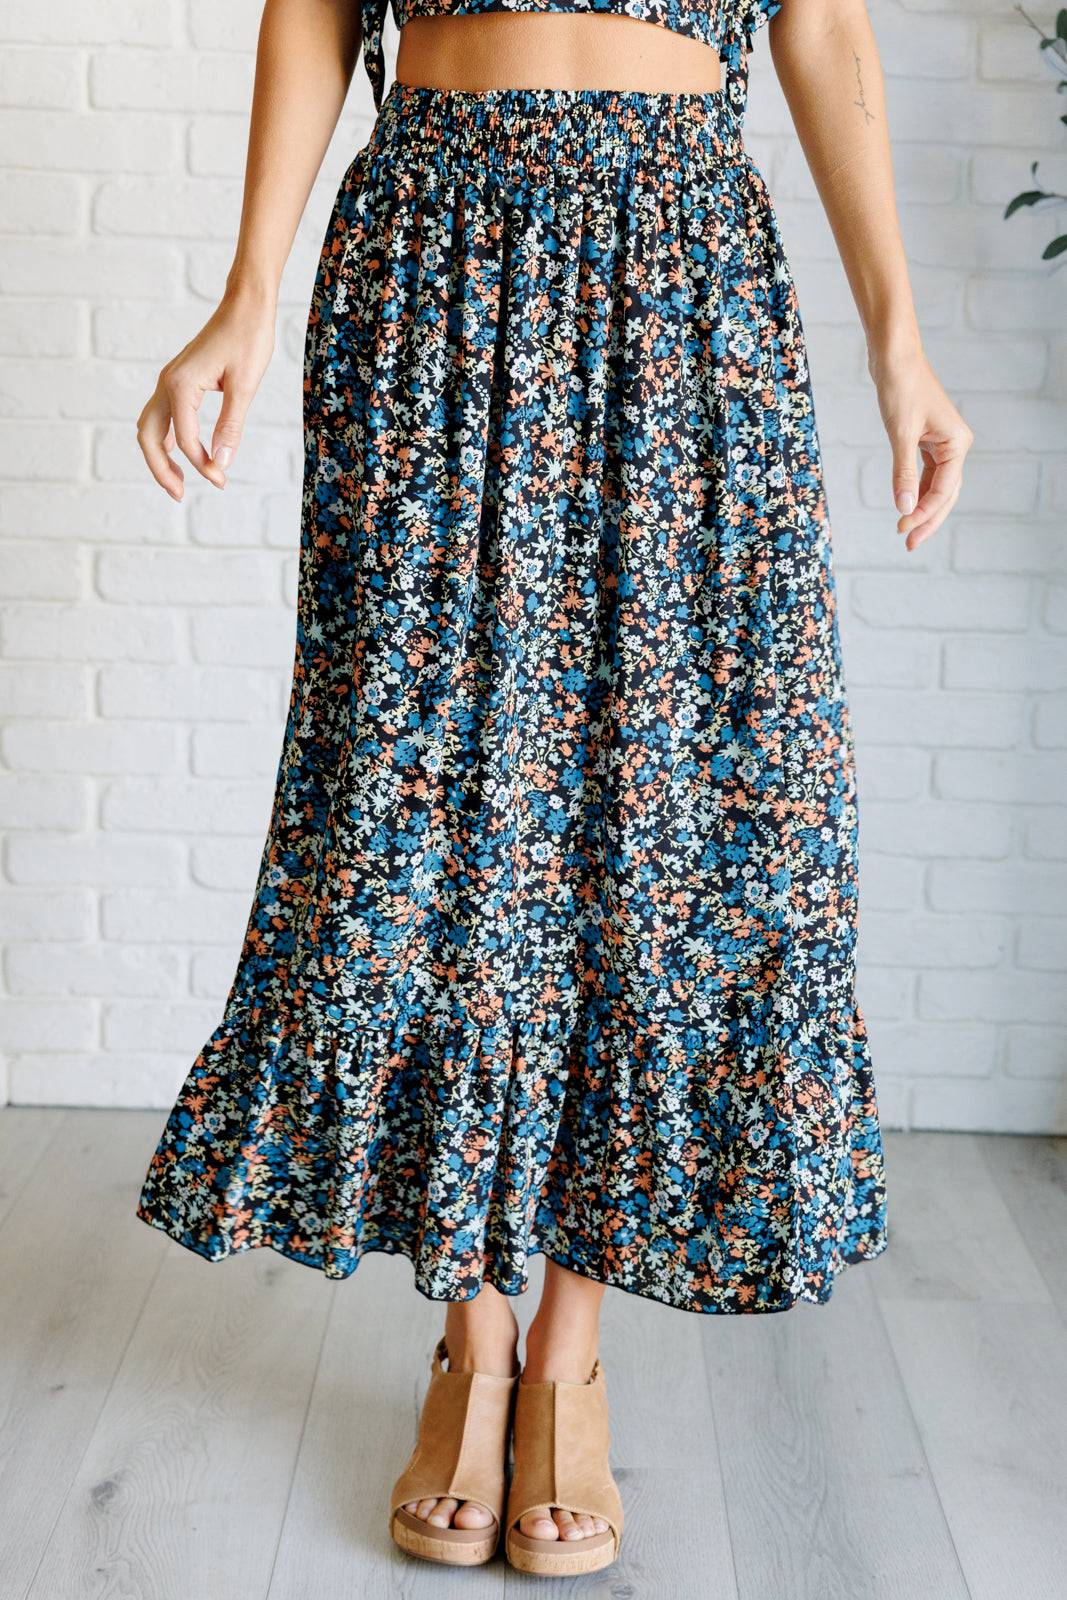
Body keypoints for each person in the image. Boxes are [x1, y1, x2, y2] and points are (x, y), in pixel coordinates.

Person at [133, 0, 972, 1577]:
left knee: (665, 828)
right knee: (414, 814)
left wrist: (899, 340)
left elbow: (823, 23)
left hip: (684, 269)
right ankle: (473, 1336)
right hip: (432, 263)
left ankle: (567, 1356)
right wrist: (245, 295)